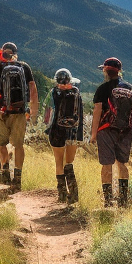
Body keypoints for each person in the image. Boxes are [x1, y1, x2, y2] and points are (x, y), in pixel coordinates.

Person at [0, 42, 38, 190]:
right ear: (16, 53)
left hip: (4, 112)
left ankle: (5, 167)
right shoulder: (25, 67)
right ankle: (18, 178)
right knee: (19, 146)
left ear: (3, 53)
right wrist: (33, 113)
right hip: (20, 113)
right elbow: (33, 91)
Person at [90, 57, 132, 208]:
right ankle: (123, 201)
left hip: (106, 130)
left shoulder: (103, 88)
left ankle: (108, 201)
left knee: (107, 165)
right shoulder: (131, 89)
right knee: (122, 164)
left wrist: (93, 134)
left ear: (106, 71)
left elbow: (97, 111)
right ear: (119, 71)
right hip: (125, 131)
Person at [41, 68, 86, 204]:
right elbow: (81, 116)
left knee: (58, 162)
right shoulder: (76, 93)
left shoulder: (53, 93)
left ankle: (61, 194)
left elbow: (47, 116)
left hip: (56, 131)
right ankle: (73, 195)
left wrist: (47, 129)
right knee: (69, 162)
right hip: (72, 132)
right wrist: (80, 136)